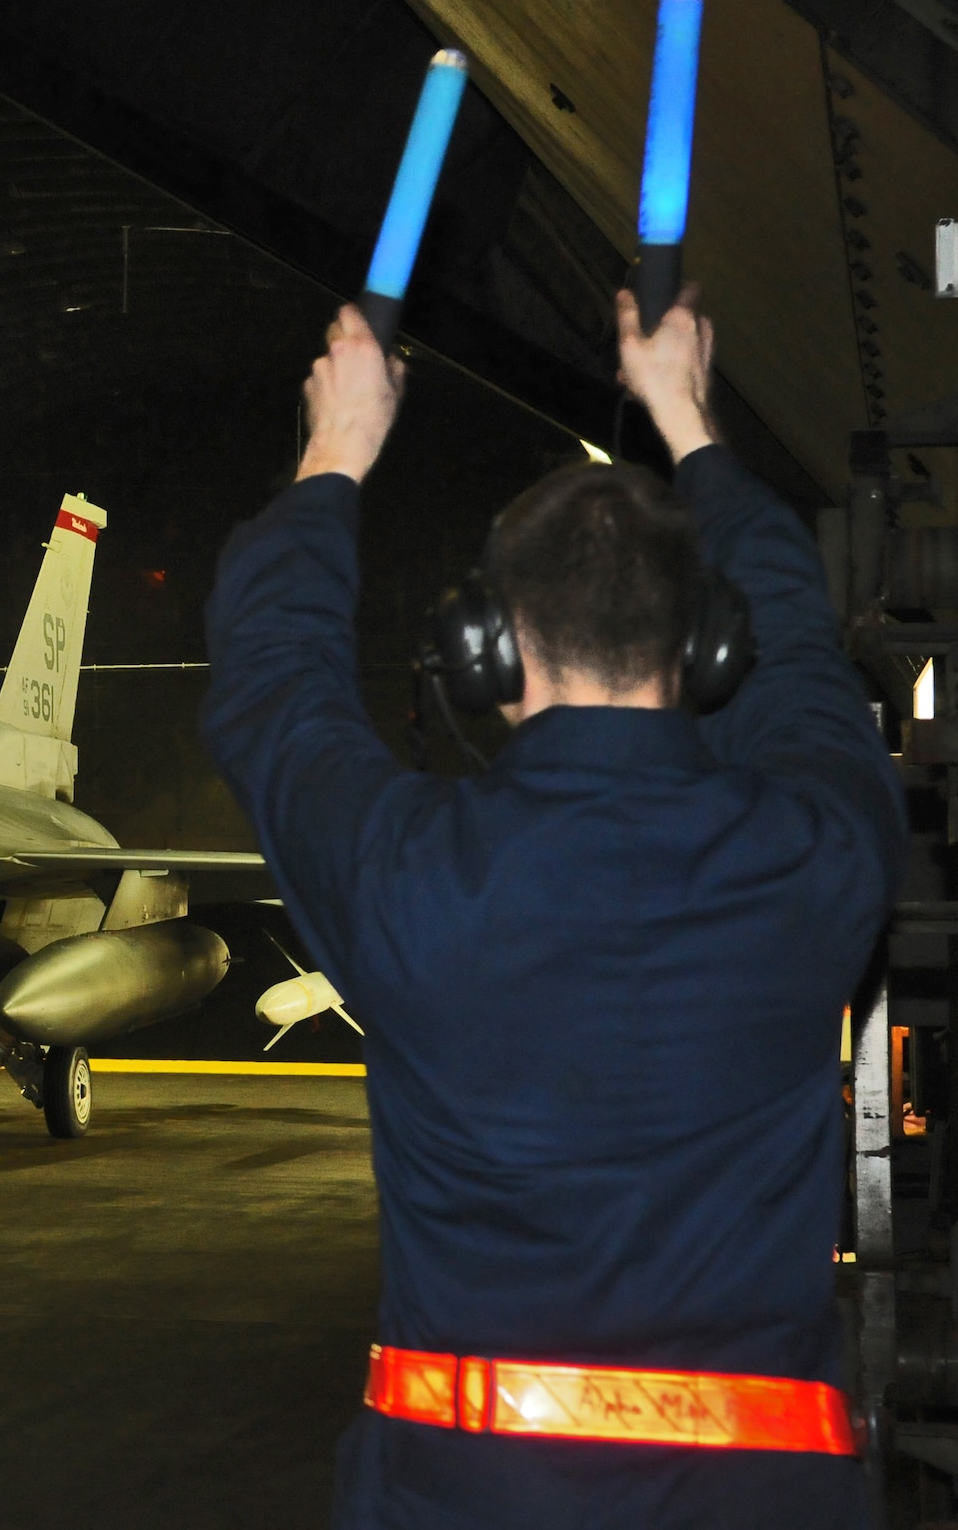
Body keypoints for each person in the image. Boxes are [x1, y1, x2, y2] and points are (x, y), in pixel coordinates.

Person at [201, 290, 905, 1528]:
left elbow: (269, 684)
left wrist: (335, 451)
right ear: (705, 652)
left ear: (484, 650)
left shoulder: (404, 873)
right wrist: (684, 417)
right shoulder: (815, 856)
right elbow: (798, 655)